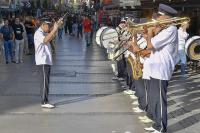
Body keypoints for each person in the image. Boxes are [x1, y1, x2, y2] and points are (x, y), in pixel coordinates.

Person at [143, 4, 179, 133]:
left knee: (159, 100)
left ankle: (162, 128)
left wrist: (150, 32)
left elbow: (150, 46)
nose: (157, 19)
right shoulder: (165, 30)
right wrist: (149, 33)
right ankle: (156, 124)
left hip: (161, 69)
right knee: (154, 99)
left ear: (166, 17)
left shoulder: (171, 30)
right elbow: (151, 43)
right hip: (155, 69)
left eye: (160, 16)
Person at [34, 17, 63, 109]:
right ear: (43, 25)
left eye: (50, 26)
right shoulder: (38, 33)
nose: (49, 28)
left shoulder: (44, 32)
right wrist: (54, 29)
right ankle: (44, 101)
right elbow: (46, 40)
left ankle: (45, 100)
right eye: (48, 26)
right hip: (42, 61)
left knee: (46, 82)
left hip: (46, 61)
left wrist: (56, 27)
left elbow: (51, 37)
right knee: (44, 82)